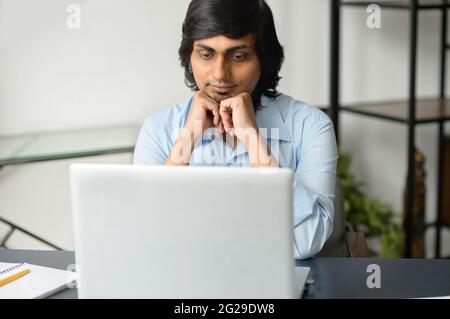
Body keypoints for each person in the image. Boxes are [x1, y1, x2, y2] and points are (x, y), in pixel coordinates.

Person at [133, 0, 338, 259]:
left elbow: (307, 240)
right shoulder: (158, 130)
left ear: (263, 59)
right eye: (206, 54)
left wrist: (253, 139)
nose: (220, 74)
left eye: (238, 56)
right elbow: (145, 236)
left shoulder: (311, 126)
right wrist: (187, 141)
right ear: (189, 56)